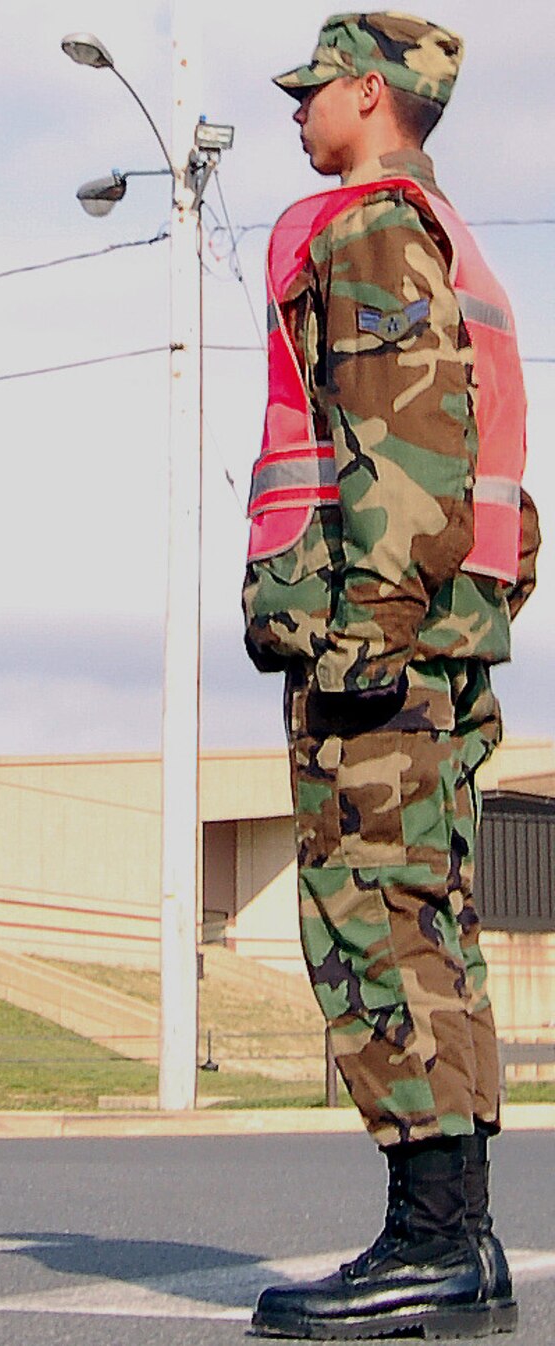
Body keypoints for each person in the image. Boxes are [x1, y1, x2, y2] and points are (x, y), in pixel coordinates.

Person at [241, 14, 536, 1339]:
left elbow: (405, 439)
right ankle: (458, 1239)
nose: (300, 115)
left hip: (385, 640)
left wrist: (362, 627)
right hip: (444, 631)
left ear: (370, 91)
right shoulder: (450, 235)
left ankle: (429, 1240)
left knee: (374, 917)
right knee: (433, 919)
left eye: (315, 93)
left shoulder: (365, 226)